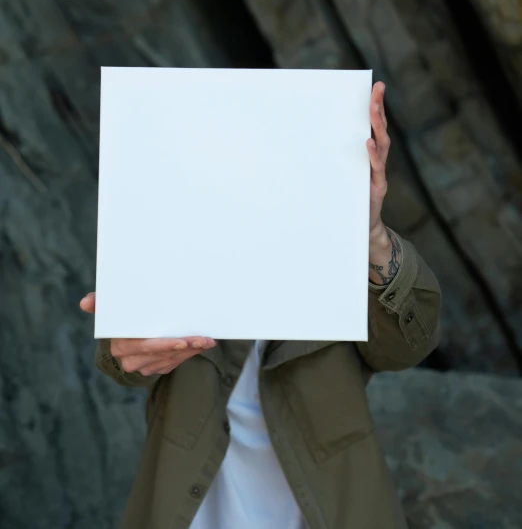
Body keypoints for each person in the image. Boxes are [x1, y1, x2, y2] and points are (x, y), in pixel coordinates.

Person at [81, 81, 441, 529]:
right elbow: (121, 357)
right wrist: (122, 343)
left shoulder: (333, 254)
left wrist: (370, 237)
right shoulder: (170, 240)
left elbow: (409, 345)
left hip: (334, 507)